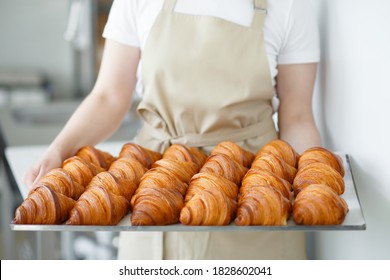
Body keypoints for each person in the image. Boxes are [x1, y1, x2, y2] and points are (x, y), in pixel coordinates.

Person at [24, 0, 321, 260]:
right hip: (155, 182)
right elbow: (109, 97)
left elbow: (296, 116)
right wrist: (58, 150)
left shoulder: (290, 5)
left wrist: (313, 189)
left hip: (254, 188)